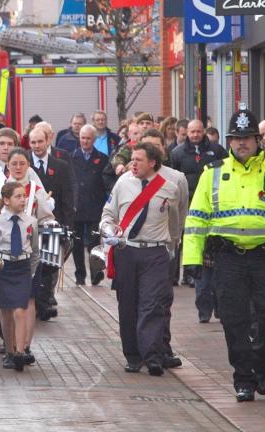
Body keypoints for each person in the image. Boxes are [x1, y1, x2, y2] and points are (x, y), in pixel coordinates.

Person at [183, 109, 265, 402]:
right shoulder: (213, 173)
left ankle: (259, 363)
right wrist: (191, 258)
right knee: (234, 320)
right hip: (228, 258)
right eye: (236, 139)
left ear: (257, 140)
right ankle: (244, 379)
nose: (242, 144)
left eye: (247, 138)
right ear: (229, 141)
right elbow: (197, 218)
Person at [101, 142, 179, 377]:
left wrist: (172, 247)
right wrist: (107, 232)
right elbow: (108, 214)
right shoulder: (123, 183)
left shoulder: (170, 188)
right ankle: (133, 356)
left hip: (155, 252)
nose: (133, 164)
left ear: (152, 162)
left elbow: (175, 221)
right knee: (128, 305)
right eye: (132, 159)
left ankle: (153, 356)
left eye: (138, 160)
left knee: (152, 303)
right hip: (127, 250)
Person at [0, 182, 39, 371]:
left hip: (22, 267)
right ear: (6, 200)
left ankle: (20, 352)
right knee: (5, 312)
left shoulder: (31, 221)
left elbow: (35, 250)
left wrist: (32, 271)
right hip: (3, 267)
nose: (22, 200)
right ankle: (9, 350)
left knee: (20, 310)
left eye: (23, 196)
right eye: (18, 196)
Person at [139, 129, 188, 369]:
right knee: (141, 301)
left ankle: (162, 346)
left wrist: (175, 242)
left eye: (156, 146)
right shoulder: (131, 176)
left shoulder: (176, 178)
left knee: (162, 300)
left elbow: (181, 213)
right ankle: (143, 346)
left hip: (165, 247)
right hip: (137, 248)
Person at [169, 119, 228, 287]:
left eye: (198, 131)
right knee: (184, 236)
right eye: (192, 131)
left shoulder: (216, 150)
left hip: (211, 200)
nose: (195, 135)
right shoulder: (177, 153)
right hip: (186, 200)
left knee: (204, 236)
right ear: (186, 132)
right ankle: (183, 274)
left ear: (204, 131)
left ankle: (200, 272)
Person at [29, 127, 75, 313]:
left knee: (50, 265)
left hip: (53, 224)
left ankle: (46, 301)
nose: (37, 146)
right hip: (31, 224)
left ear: (48, 141)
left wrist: (67, 226)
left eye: (40, 141)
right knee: (34, 264)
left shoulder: (61, 165)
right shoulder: (24, 164)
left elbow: (68, 197)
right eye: (33, 142)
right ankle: (38, 302)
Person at [70, 124, 109, 285]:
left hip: (95, 206)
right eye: (83, 138)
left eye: (88, 138)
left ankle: (95, 273)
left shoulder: (103, 159)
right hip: (77, 207)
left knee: (93, 242)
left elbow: (106, 181)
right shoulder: (71, 157)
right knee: (77, 243)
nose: (85, 141)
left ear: (94, 140)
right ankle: (80, 275)